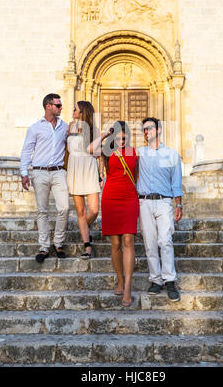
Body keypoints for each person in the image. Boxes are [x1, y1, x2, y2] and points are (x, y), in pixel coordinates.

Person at [137, 117, 183, 301]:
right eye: (144, 130)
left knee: (165, 240)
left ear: (159, 130)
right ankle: (155, 279)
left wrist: (178, 204)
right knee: (149, 242)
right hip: (145, 202)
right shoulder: (139, 153)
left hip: (164, 202)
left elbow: (176, 181)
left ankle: (169, 280)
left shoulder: (171, 154)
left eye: (149, 128)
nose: (146, 132)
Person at [20, 93, 70, 263]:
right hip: (39, 172)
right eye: (58, 105)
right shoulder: (35, 128)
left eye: (60, 105)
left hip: (58, 172)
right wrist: (24, 173)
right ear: (48, 106)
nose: (61, 107)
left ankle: (58, 243)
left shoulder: (65, 127)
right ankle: (44, 246)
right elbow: (27, 150)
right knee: (42, 210)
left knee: (64, 208)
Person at [99, 121, 139, 308]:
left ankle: (128, 287)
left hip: (129, 198)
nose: (121, 140)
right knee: (115, 243)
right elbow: (90, 150)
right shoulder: (106, 152)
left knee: (128, 241)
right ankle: (120, 280)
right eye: (118, 137)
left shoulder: (133, 152)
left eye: (124, 137)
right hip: (110, 198)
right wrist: (105, 135)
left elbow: (136, 174)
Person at [66, 101, 101, 259]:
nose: (73, 111)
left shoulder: (94, 130)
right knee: (80, 211)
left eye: (76, 109)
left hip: (89, 167)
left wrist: (101, 175)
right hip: (74, 167)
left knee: (94, 210)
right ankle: (87, 247)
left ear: (83, 112)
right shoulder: (70, 126)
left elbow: (98, 153)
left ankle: (84, 227)